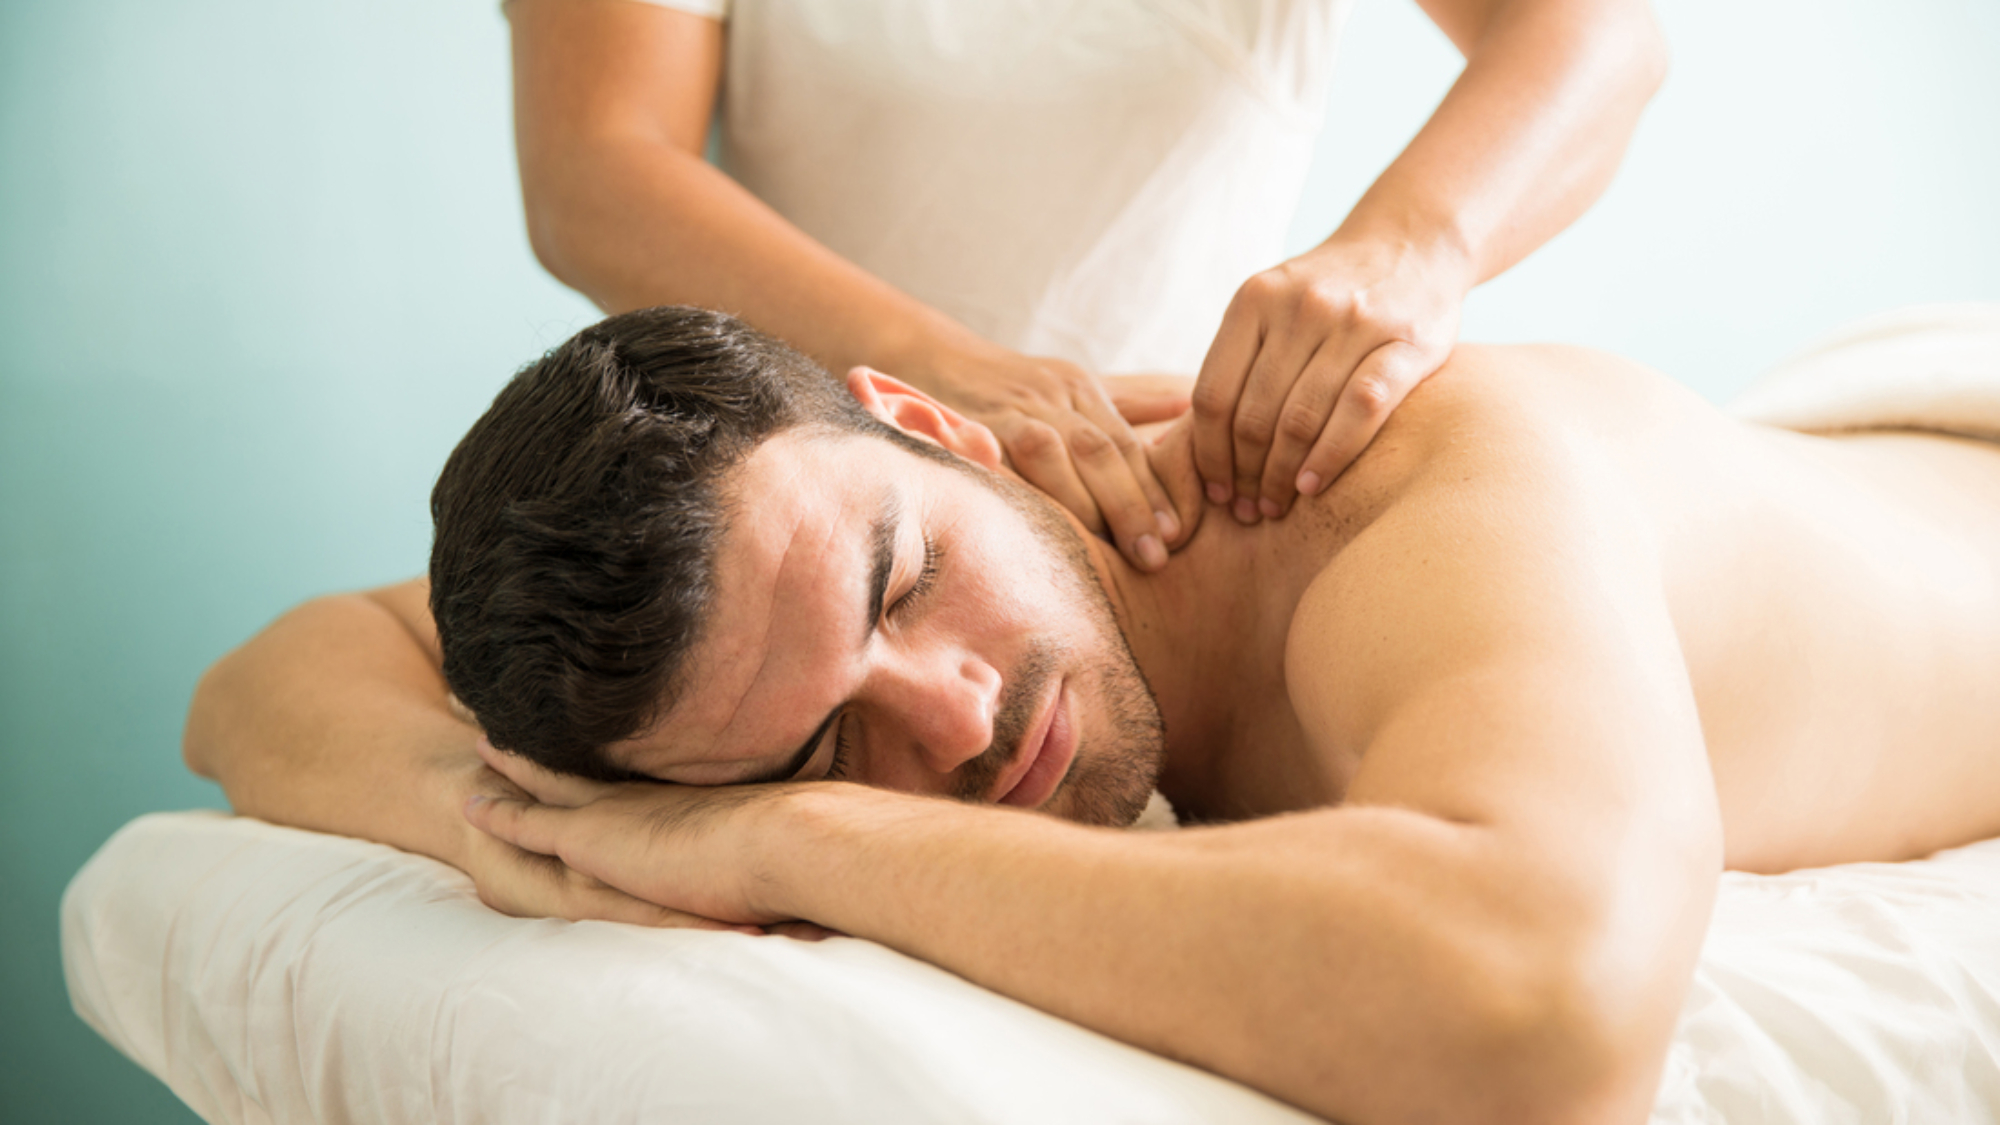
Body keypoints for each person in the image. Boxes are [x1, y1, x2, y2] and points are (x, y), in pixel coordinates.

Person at [186, 306, 2000, 1125]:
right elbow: (261, 681)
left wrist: (795, 830)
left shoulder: (1392, 495)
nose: (961, 720)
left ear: (940, 424)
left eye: (908, 584)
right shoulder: (764, 584)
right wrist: (515, 830)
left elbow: (1546, 1024)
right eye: (824, 738)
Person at [506, 0, 1670, 571]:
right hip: (813, 535)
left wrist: (1410, 246)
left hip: (1177, 523)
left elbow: (1596, 35)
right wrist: (950, 376)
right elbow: (594, 169)